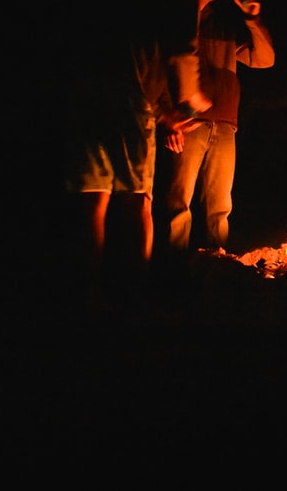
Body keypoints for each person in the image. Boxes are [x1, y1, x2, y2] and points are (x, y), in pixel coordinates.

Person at [63, 18, 194, 318]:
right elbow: (170, 59)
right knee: (134, 201)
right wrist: (175, 107)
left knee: (94, 199)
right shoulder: (164, 8)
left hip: (89, 99)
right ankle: (132, 295)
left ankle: (92, 293)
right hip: (128, 107)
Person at [160, 0, 275, 255]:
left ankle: (217, 271)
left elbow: (265, 58)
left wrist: (253, 20)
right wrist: (167, 118)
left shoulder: (222, 26)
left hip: (224, 123)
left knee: (220, 206)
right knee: (178, 203)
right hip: (188, 123)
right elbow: (162, 71)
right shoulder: (176, 22)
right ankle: (174, 271)